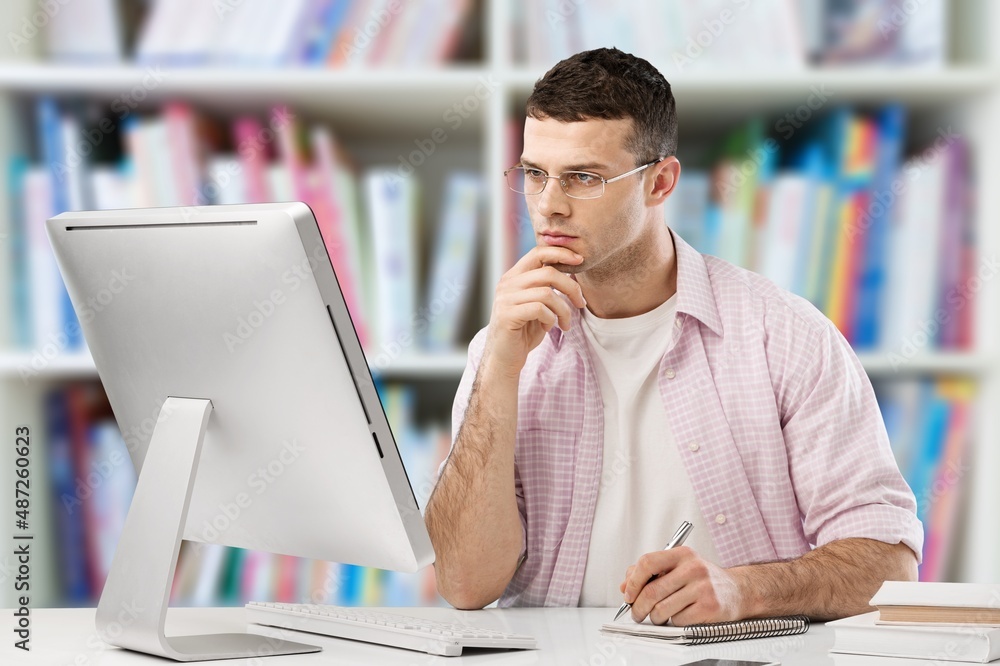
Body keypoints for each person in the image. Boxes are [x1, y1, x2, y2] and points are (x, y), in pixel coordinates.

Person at [424, 47, 921, 625]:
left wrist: (744, 591)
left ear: (660, 182)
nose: (549, 206)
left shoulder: (785, 337)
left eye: (583, 177)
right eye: (535, 174)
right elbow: (463, 584)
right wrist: (499, 371)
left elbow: (889, 566)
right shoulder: (501, 349)